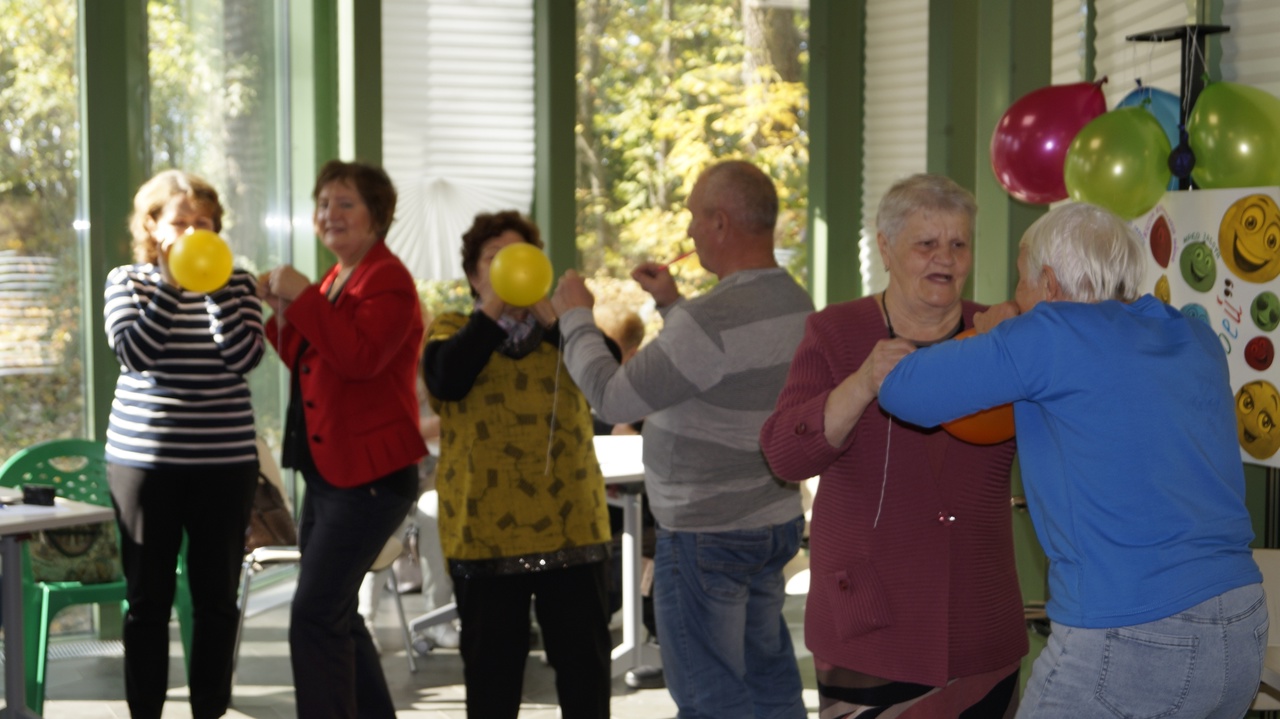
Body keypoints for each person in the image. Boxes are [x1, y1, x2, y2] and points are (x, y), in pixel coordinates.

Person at [878, 202, 1266, 719]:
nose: (1015, 297)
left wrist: (998, 333)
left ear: (1050, 284)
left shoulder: (1051, 332)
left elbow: (905, 391)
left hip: (1130, 630)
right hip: (1241, 626)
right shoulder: (1195, 337)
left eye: (1020, 283)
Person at [758, 173, 1026, 718]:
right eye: (925, 243)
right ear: (885, 246)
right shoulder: (834, 332)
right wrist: (860, 384)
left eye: (958, 244)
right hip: (870, 626)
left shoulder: (1001, 336)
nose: (944, 259)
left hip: (981, 624)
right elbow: (786, 455)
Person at [553, 159, 813, 719]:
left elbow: (614, 397)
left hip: (707, 533)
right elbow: (719, 368)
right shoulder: (794, 300)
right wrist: (673, 306)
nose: (689, 233)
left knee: (709, 697)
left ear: (721, 223)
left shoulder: (710, 320)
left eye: (696, 218)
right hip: (769, 520)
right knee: (768, 684)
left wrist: (576, 318)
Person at [423, 210, 613, 719]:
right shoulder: (450, 329)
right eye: (493, 258)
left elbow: (610, 376)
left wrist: (557, 316)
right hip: (484, 531)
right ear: (472, 275)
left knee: (584, 676)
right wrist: (492, 310)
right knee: (491, 680)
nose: (509, 267)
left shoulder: (567, 333)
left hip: (571, 526)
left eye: (520, 257)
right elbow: (446, 381)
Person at [258, 160, 426, 719]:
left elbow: (359, 359)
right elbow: (312, 361)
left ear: (376, 215)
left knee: (314, 615)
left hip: (371, 477)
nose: (330, 214)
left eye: (345, 203)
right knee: (337, 614)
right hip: (330, 472)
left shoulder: (388, 279)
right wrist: (283, 313)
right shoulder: (336, 278)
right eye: (324, 203)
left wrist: (303, 299)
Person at [104, 169, 264, 719]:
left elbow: (244, 358)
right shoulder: (128, 280)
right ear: (153, 226)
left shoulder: (238, 283)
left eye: (205, 223)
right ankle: (144, 710)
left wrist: (214, 288)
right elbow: (136, 353)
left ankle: (210, 711)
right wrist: (174, 285)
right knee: (148, 600)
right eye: (180, 222)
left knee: (217, 601)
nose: (195, 231)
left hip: (225, 463)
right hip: (144, 463)